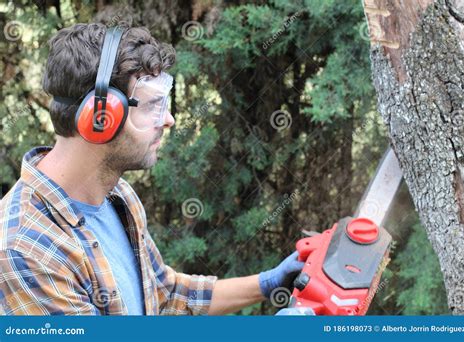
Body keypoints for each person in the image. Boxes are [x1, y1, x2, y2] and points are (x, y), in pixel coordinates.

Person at [0, 23, 303, 315]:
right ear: (100, 117)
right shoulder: (25, 249)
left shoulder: (117, 196)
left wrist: (268, 283)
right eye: (150, 106)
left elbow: (165, 296)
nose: (169, 120)